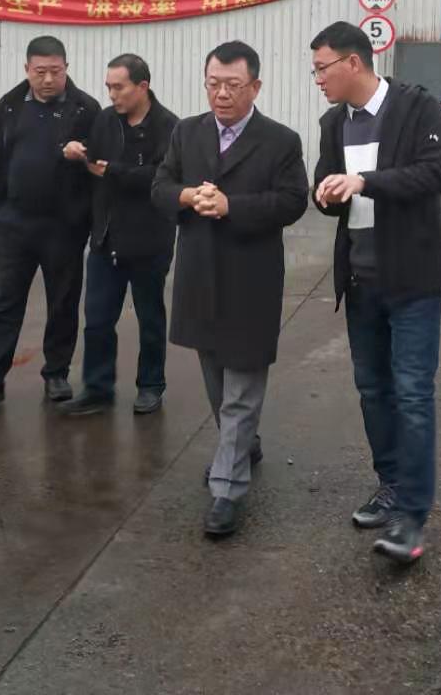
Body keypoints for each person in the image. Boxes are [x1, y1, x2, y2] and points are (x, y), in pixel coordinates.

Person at [310, 21, 441, 565]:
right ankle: (391, 485)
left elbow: (433, 174)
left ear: (353, 62)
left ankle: (412, 517)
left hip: (412, 279)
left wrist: (365, 182)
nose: (318, 79)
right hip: (361, 279)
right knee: (373, 389)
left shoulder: (416, 108)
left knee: (412, 393)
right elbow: (328, 184)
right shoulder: (333, 123)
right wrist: (326, 193)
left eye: (322, 68)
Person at [152, 41, 309, 538]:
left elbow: (292, 201)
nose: (221, 94)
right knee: (215, 375)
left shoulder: (280, 141)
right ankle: (242, 445)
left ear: (255, 87)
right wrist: (185, 195)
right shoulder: (187, 132)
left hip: (250, 278)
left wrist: (231, 207)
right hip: (200, 273)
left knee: (242, 384)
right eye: (213, 84)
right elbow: (159, 187)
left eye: (233, 85)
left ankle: (227, 488)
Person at [0, 35, 100, 406]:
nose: (48, 79)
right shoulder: (10, 104)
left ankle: (56, 375)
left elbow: (99, 165)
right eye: (40, 72)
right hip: (14, 224)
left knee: (62, 303)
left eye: (55, 71)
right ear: (27, 69)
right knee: (3, 302)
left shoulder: (85, 109)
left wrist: (82, 213)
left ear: (66, 68)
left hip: (63, 227)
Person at [58, 54, 179, 417]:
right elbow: (93, 160)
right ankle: (97, 388)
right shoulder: (105, 121)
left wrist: (114, 172)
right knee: (96, 320)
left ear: (142, 86)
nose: (112, 95)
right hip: (106, 237)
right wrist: (75, 150)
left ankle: (151, 385)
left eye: (119, 87)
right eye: (109, 87)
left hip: (148, 240)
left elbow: (162, 177)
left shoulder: (169, 127)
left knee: (150, 319)